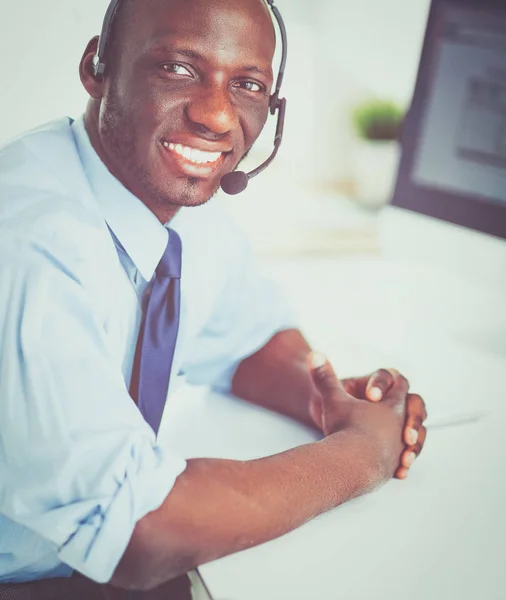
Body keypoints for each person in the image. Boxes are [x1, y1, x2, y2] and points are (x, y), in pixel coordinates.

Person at [0, 0, 427, 597]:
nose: (218, 116)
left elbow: (248, 339)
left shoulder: (177, 204)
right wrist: (361, 455)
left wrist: (328, 400)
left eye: (248, 85)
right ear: (96, 69)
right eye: (179, 68)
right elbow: (141, 532)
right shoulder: (28, 246)